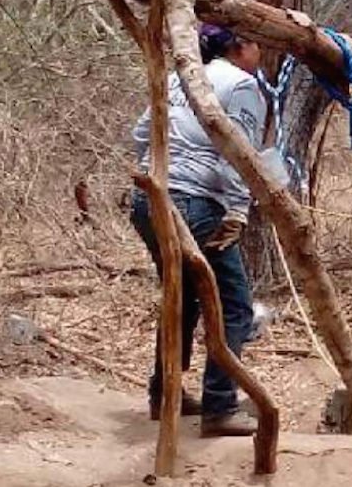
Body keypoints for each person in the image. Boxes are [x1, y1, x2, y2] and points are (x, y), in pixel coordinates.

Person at [130, 23, 265, 437]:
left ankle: (165, 393)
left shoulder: (176, 79)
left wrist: (161, 170)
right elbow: (236, 148)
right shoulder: (242, 85)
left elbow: (139, 133)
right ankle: (220, 407)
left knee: (182, 298)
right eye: (257, 42)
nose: (260, 52)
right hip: (195, 205)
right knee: (234, 307)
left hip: (148, 201)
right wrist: (239, 209)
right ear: (241, 46)